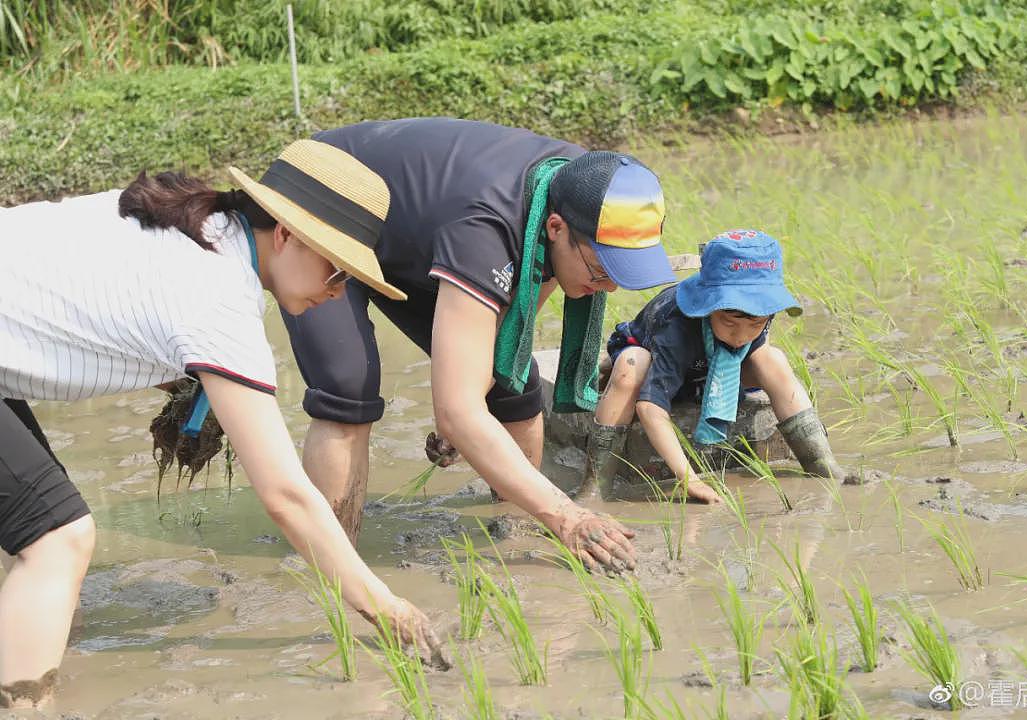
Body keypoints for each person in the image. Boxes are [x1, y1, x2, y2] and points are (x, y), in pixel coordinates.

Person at [0, 140, 445, 709]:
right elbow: (286, 496)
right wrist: (386, 607)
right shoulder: (219, 300)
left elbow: (99, 311)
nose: (337, 293)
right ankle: (26, 705)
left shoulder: (198, 225)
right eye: (336, 271)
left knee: (33, 544)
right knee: (58, 539)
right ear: (284, 234)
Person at [279, 118, 677, 573]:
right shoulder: (487, 229)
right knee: (348, 386)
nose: (605, 287)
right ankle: (331, 565)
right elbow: (459, 409)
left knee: (513, 385)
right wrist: (567, 514)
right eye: (601, 271)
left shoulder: (583, 184)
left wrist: (463, 415)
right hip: (325, 197)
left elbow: (509, 331)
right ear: (555, 228)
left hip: (417, 229)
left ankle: (516, 539)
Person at [580, 229, 858, 503]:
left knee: (772, 359)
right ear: (707, 305)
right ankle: (595, 485)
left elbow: (755, 344)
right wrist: (691, 480)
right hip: (658, 361)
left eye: (755, 324)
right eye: (729, 323)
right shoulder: (676, 325)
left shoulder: (759, 315)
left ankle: (821, 464)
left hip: (709, 367)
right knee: (631, 366)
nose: (741, 335)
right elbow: (649, 407)